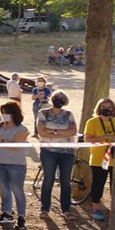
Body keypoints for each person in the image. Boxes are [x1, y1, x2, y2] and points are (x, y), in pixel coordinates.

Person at [36, 90, 77, 219]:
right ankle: (44, 209)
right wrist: (61, 131)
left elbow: (73, 131)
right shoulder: (43, 113)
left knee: (65, 181)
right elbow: (41, 132)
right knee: (48, 180)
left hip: (67, 153)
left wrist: (52, 131)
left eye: (61, 98)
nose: (59, 100)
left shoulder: (69, 114)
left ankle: (66, 210)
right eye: (57, 98)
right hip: (48, 152)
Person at [0, 101, 29, 230]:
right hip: (0, 162)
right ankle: (7, 213)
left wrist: (0, 140)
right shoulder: (0, 125)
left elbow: (16, 145)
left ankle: (21, 217)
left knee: (17, 190)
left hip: (16, 164)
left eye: (6, 113)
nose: (4, 115)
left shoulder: (22, 129)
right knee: (4, 189)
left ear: (14, 113)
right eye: (2, 113)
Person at [84, 98, 115, 221]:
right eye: (104, 107)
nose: (107, 109)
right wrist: (106, 137)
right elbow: (87, 139)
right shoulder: (92, 122)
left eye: (109, 107)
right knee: (98, 184)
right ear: (99, 108)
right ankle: (96, 208)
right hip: (99, 160)